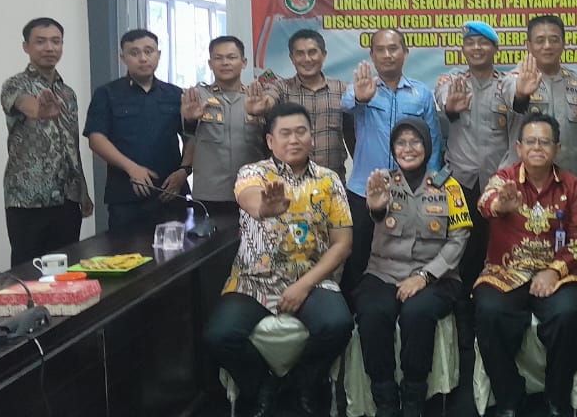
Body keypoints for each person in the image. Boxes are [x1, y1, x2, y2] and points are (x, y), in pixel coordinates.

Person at [203, 103, 354, 417]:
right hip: (253, 280)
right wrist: (264, 208)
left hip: (311, 278)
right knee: (219, 335)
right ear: (271, 141)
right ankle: (263, 385)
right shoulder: (253, 173)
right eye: (285, 133)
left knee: (337, 325)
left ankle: (304, 382)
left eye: (301, 132)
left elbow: (342, 244)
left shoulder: (329, 180)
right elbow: (249, 197)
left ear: (312, 137)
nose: (294, 139)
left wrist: (303, 286)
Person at [475, 113, 577, 417]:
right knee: (488, 311)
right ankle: (509, 397)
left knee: (568, 313)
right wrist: (500, 205)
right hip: (506, 271)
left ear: (557, 148)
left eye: (544, 142)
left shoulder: (574, 187)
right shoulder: (504, 179)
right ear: (519, 147)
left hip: (557, 273)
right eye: (530, 141)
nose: (537, 147)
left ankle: (556, 398)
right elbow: (484, 203)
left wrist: (554, 270)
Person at [355, 118, 470, 417]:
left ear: (428, 146)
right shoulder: (383, 182)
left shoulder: (449, 185)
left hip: (436, 275)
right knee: (372, 312)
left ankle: (414, 397)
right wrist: (376, 207)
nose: (408, 148)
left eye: (415, 141)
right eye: (401, 143)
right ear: (393, 149)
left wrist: (424, 276)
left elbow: (459, 238)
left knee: (417, 313)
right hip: (383, 271)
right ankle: (384, 397)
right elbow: (374, 217)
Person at [341, 29, 443, 294]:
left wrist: (431, 185)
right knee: (358, 258)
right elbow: (346, 105)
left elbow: (432, 141)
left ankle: (401, 299)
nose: (387, 55)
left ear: (405, 53)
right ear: (372, 55)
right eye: (380, 49)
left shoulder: (421, 93)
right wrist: (361, 97)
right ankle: (357, 311)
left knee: (406, 254)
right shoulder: (361, 89)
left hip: (410, 193)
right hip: (364, 190)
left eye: (393, 48)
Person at [432, 22, 513, 314]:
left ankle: (491, 313)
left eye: (483, 43)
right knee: (461, 256)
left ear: (495, 48)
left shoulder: (507, 85)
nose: (476, 48)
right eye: (470, 43)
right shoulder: (451, 81)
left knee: (497, 254)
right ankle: (461, 319)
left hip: (498, 185)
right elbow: (444, 100)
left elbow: (517, 129)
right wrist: (451, 107)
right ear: (463, 49)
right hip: (460, 184)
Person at [1, 17, 93, 265]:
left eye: (56, 41)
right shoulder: (14, 84)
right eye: (40, 42)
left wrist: (83, 191)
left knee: (66, 267)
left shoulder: (68, 93)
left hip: (67, 198)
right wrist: (40, 110)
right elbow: (26, 104)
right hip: (27, 199)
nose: (49, 48)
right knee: (28, 270)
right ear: (26, 47)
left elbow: (72, 146)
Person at [84, 29, 193, 236]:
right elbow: (96, 138)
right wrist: (132, 168)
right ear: (123, 57)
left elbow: (191, 137)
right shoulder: (107, 93)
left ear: (158, 55)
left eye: (148, 51)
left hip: (171, 193)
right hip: (126, 197)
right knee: (125, 252)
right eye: (134, 53)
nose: (143, 58)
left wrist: (184, 171)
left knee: (178, 252)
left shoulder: (175, 94)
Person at [501, 15, 577, 182]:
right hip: (525, 184)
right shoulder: (514, 79)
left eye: (554, 40)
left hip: (570, 182)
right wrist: (521, 95)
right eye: (540, 40)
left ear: (563, 43)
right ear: (529, 45)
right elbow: (515, 103)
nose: (547, 46)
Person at [249, 29, 355, 182]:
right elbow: (270, 98)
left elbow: (352, 135)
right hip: (287, 182)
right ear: (292, 58)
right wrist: (262, 106)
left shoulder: (342, 90)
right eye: (300, 54)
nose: (307, 59)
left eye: (312, 52)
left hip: (331, 181)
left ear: (324, 55)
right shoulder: (281, 88)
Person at [181, 36, 265, 217]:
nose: (225, 63)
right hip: (210, 194)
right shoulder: (198, 96)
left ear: (244, 62)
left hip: (252, 190)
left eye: (231, 57)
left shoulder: (257, 99)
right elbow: (188, 135)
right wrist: (190, 120)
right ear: (210, 64)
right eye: (218, 58)